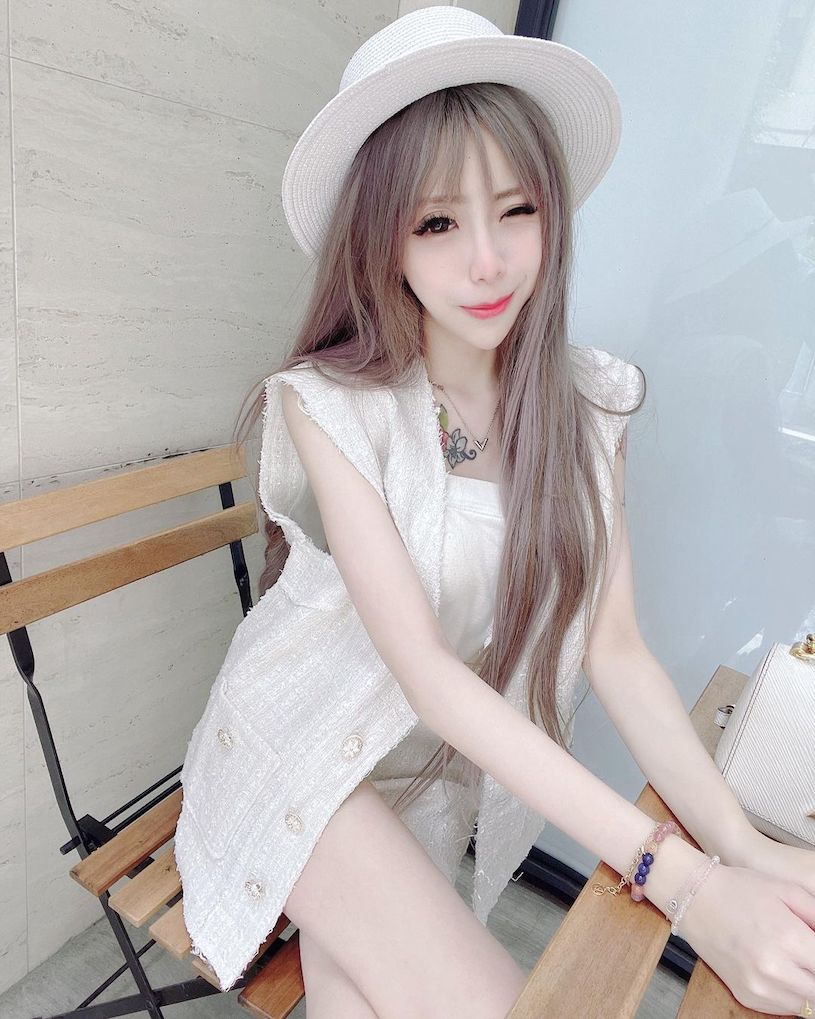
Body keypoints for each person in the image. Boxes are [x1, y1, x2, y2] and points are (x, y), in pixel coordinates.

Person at [175, 7, 815, 1017]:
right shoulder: (331, 406)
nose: (487, 260)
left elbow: (615, 650)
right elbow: (427, 673)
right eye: (436, 223)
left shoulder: (590, 406)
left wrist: (739, 844)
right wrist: (685, 886)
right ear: (380, 240)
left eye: (515, 210)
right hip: (293, 753)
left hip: (425, 786)